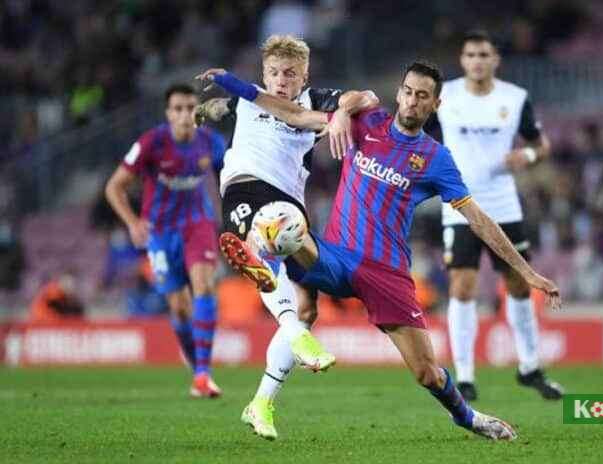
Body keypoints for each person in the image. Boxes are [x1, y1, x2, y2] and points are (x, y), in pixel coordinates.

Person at [207, 60, 562, 441]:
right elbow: (290, 111)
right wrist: (235, 93)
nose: (412, 101)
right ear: (399, 93)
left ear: (435, 105)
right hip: (336, 258)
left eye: (422, 96)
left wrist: (526, 272)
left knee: (427, 373)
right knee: (288, 227)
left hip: (386, 273)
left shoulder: (435, 159)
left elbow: (476, 218)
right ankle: (260, 246)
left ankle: (467, 417)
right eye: (408, 92)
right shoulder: (366, 123)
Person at [194, 34, 378, 439]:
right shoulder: (253, 97)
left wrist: (345, 111)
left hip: (291, 204)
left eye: (290, 74)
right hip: (244, 189)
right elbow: (225, 107)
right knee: (273, 227)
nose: (280, 80)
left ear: (304, 75)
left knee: (308, 307)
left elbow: (367, 97)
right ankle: (290, 321)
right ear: (264, 74)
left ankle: (260, 402)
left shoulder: (316, 101)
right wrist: (211, 105)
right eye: (274, 72)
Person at [426, 30, 563, 401]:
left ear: (495, 59)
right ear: (462, 59)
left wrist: (528, 157)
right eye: (471, 54)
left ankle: (530, 367)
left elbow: (540, 144)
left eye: (484, 54)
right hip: (460, 205)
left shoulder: (514, 98)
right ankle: (465, 376)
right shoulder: (446, 96)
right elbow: (418, 133)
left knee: (519, 284)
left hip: (503, 203)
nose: (477, 60)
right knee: (462, 287)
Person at [105, 83, 225, 398]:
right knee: (180, 307)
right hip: (160, 232)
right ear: (168, 113)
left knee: (204, 285)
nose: (185, 115)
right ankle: (193, 357)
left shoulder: (211, 142)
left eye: (190, 108)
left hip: (198, 224)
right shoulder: (152, 143)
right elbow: (114, 187)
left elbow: (230, 178)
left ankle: (203, 373)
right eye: (178, 108)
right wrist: (132, 223)